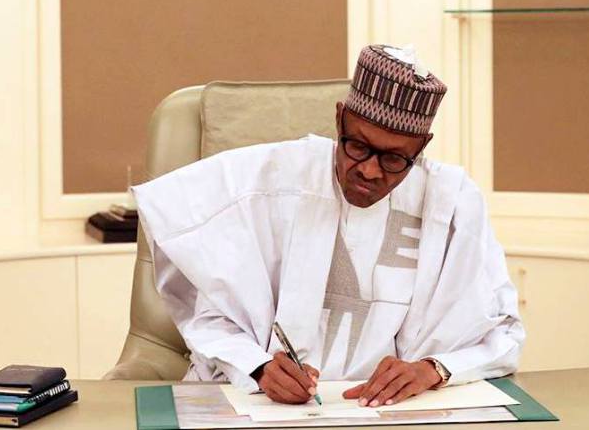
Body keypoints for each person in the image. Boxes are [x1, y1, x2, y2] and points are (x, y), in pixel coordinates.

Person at [133, 44, 524, 408]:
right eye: (358, 146)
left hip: (392, 413)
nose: (369, 171)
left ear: (421, 148)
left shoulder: (452, 202)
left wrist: (434, 369)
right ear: (339, 118)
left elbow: (503, 333)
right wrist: (257, 366)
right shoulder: (266, 181)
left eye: (394, 159)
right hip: (261, 407)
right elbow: (211, 312)